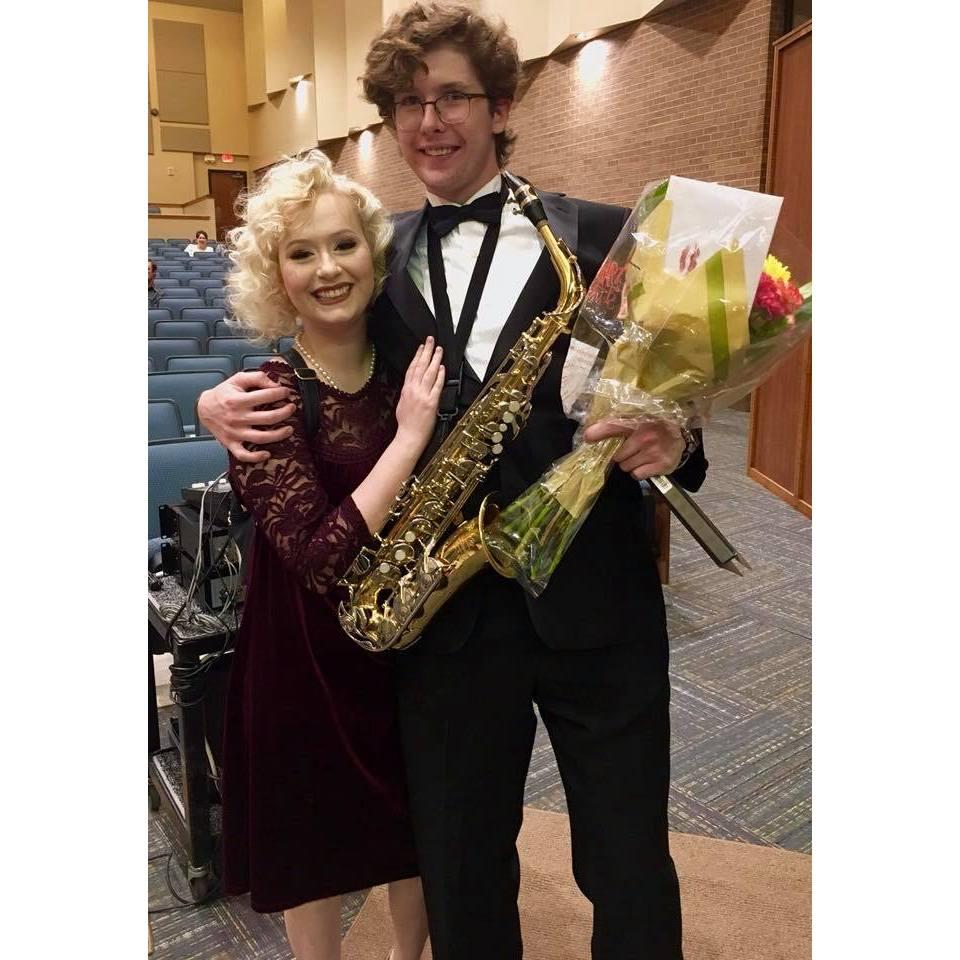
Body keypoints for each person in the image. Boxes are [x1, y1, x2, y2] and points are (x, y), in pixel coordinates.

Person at [198, 4, 708, 958]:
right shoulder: (370, 251)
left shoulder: (601, 238)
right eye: (407, 103)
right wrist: (212, 408)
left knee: (628, 860)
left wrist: (673, 443)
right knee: (465, 865)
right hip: (448, 622)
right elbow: (310, 371)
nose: (428, 121)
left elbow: (675, 401)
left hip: (599, 602)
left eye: (452, 97)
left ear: (503, 104)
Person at [219, 150, 441, 960]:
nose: (327, 269)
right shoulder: (264, 399)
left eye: (343, 245)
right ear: (277, 275)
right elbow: (318, 558)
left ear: (373, 252)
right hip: (302, 663)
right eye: (302, 252)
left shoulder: (405, 368)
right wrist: (411, 439)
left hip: (409, 648)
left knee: (415, 831)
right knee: (312, 848)